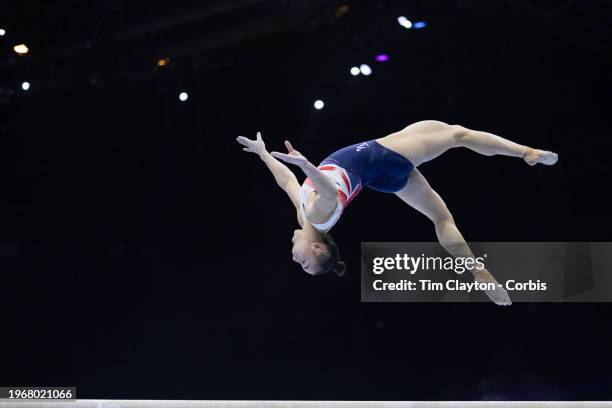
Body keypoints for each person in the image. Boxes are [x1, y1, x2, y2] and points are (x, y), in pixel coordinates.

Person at [236, 120, 558, 305]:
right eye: (305, 262)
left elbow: (286, 181)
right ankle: (525, 153)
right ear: (318, 247)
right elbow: (330, 191)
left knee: (441, 217)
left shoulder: (304, 217)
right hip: (382, 157)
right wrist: (307, 164)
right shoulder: (320, 217)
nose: (295, 260)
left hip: (380, 177)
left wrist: (264, 154)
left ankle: (475, 270)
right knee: (458, 135)